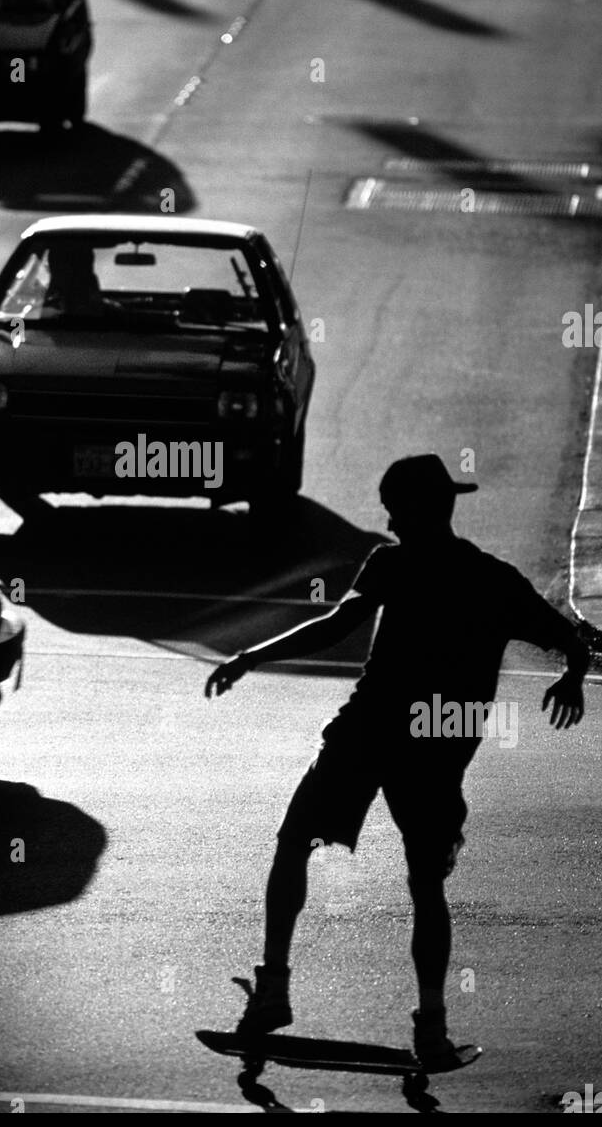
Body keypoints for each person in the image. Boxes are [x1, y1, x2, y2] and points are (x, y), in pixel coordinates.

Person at [205, 454, 588, 1068]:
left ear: (413, 509)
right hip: (436, 747)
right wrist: (571, 679)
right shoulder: (496, 579)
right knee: (425, 885)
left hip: (369, 730)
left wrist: (250, 655)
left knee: (295, 841)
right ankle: (430, 1029)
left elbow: (335, 627)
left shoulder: (392, 563)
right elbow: (575, 639)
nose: (385, 515)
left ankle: (273, 988)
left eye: (391, 504)